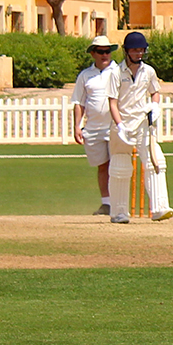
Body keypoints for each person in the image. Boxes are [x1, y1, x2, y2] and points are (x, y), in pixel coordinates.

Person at [106, 32, 173, 223]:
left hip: (143, 124)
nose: (139, 53)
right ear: (127, 51)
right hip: (122, 125)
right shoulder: (115, 73)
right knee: (120, 166)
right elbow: (112, 102)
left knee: (156, 161)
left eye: (142, 49)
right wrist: (119, 125)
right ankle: (119, 213)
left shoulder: (149, 71)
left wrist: (155, 106)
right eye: (135, 50)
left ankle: (160, 208)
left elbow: (155, 92)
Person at [71, 35, 119, 215]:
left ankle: (119, 202)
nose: (105, 55)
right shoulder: (85, 75)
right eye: (100, 51)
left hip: (115, 126)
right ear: (93, 53)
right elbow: (79, 102)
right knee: (102, 165)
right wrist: (77, 126)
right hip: (93, 127)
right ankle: (106, 203)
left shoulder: (118, 72)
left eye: (107, 51)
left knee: (118, 164)